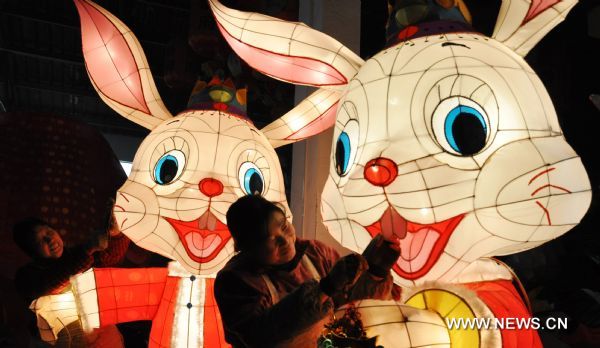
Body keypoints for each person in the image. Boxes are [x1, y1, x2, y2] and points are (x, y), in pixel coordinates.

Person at [215, 195, 401, 347]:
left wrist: (377, 267)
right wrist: (325, 288)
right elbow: (262, 336)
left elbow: (348, 301)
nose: (285, 240)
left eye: (284, 227)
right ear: (247, 248)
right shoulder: (234, 281)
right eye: (269, 240)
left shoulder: (315, 252)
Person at [12, 213, 130, 347]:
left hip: (104, 337)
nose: (49, 239)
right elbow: (51, 282)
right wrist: (87, 250)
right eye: (39, 240)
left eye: (49, 232)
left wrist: (115, 234)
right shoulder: (27, 276)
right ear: (31, 252)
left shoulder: (77, 254)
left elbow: (110, 258)